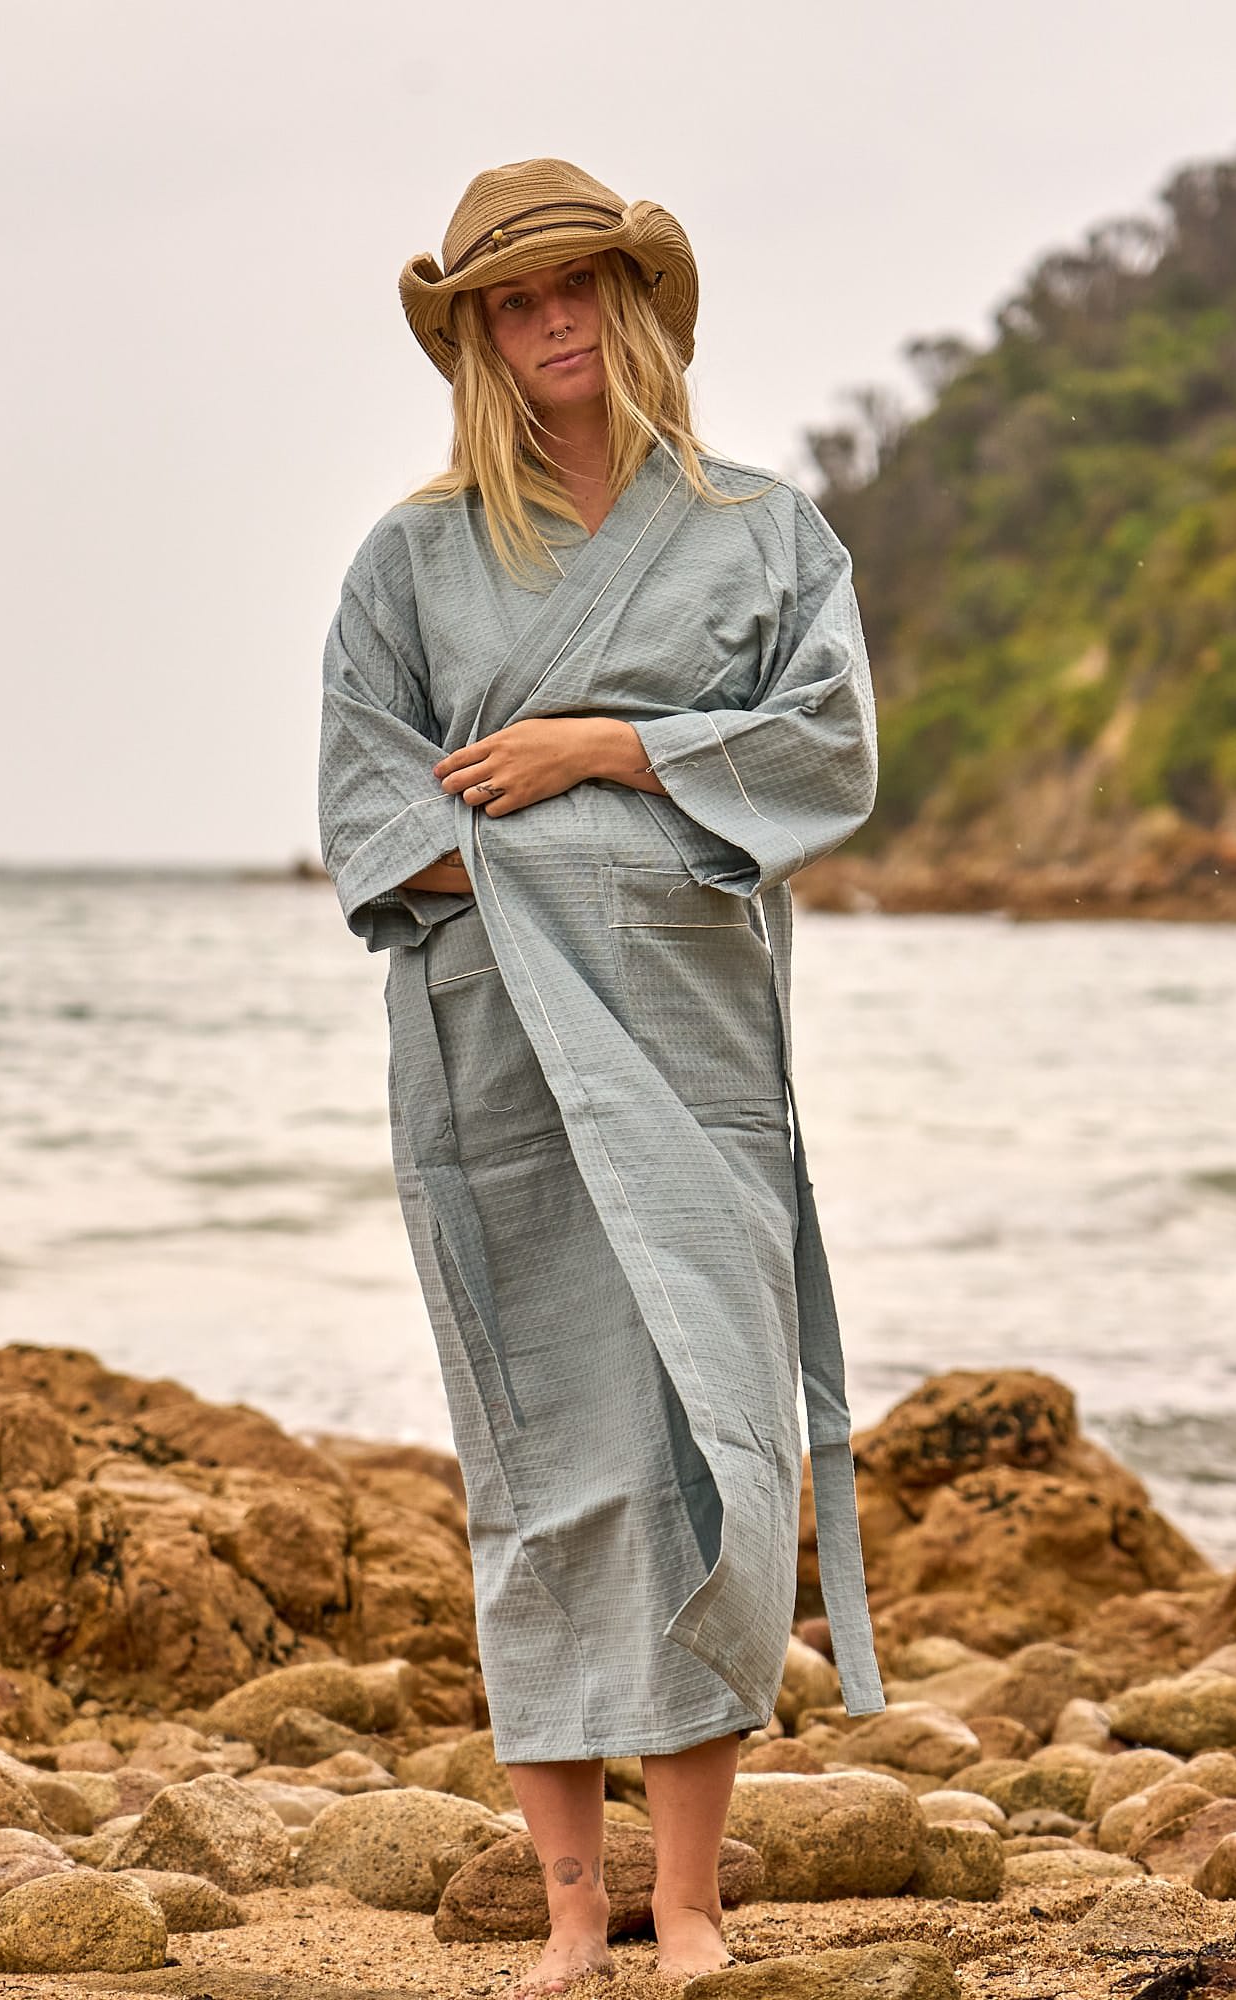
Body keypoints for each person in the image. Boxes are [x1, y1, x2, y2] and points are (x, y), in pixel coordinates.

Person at [317, 158, 887, 1993]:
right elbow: (367, 817)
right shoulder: (408, 563)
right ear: (478, 335)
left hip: (697, 1048)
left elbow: (821, 760)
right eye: (515, 300)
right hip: (495, 1061)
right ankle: (574, 1913)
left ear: (637, 302)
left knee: (714, 1443)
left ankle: (695, 1903)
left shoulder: (769, 535)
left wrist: (606, 752)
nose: (555, 322)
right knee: (549, 1452)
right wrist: (542, 845)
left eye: (582, 287)